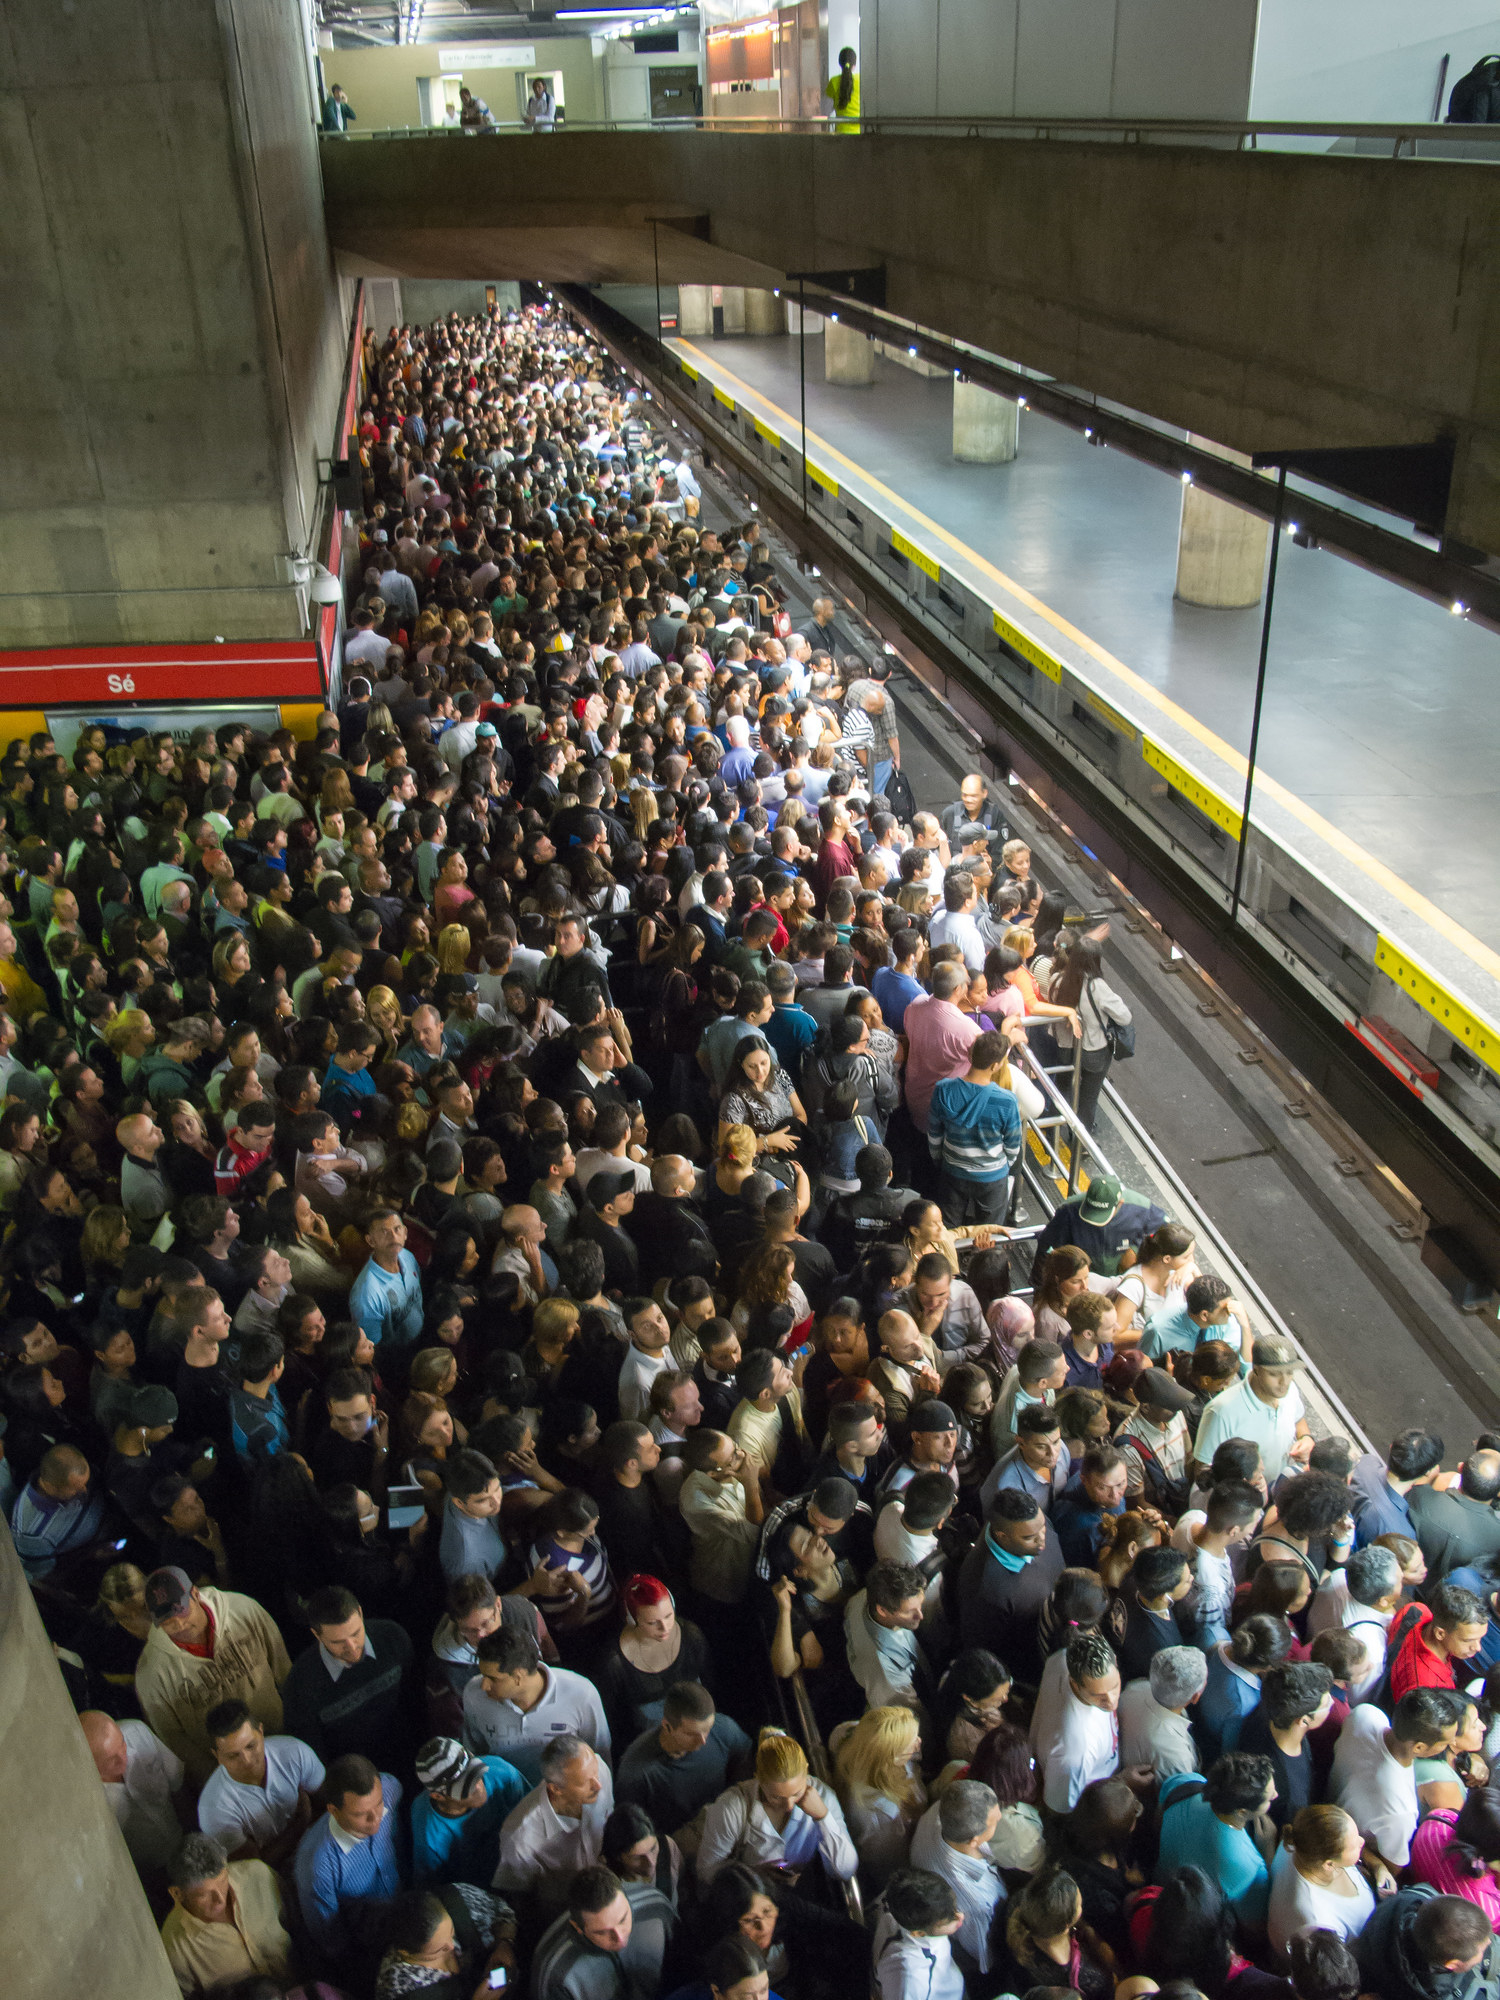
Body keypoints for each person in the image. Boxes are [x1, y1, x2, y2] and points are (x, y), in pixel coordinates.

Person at [134, 1568, 292, 1786]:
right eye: (168, 1621)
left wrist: (297, 1731)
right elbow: (174, 1740)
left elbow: (284, 1670)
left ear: (196, 1594)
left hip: (283, 1740)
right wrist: (218, 1779)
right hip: (229, 1774)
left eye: (182, 1612)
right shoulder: (152, 1672)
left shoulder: (243, 1611)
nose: (179, 1625)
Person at [697, 1727, 858, 1887]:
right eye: (776, 1797)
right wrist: (753, 1874)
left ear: (807, 1771)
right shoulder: (731, 1807)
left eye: (796, 1794)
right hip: (750, 1893)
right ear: (758, 1778)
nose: (788, 1805)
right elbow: (706, 1871)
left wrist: (822, 1817)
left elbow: (844, 1871)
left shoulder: (823, 1796)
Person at [280, 1584, 419, 1769]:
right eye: (338, 1642)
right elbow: (313, 1757)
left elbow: (416, 1704)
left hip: (408, 1758)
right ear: (316, 1634)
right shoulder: (301, 1682)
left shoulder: (393, 1637)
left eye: (356, 1634)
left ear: (360, 1614)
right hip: (352, 1777)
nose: (353, 1648)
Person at [461, 1624, 611, 1785]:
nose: (484, 1686)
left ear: (519, 1676)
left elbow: (600, 1757)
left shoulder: (581, 1693)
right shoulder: (474, 1694)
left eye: (493, 1678)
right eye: (483, 1675)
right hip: (505, 1797)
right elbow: (475, 1752)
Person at [293, 1751, 406, 1963]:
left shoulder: (390, 1787)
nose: (376, 1819)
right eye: (361, 1814)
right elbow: (331, 1938)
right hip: (370, 1944)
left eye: (378, 1805)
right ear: (334, 1811)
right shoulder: (316, 1867)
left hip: (405, 1903)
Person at [160, 1832, 293, 1995]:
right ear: (177, 1894)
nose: (220, 1899)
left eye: (223, 1881)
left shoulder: (259, 1876)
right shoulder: (175, 1949)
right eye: (204, 1894)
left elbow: (296, 1923)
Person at [1156, 1752, 1278, 1930]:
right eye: (1269, 1797)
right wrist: (1268, 1849)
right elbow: (1255, 1930)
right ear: (1242, 1812)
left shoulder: (1186, 1783)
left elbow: (1158, 1822)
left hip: (1160, 1890)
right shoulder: (1248, 1866)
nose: (1276, 1795)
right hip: (1192, 1929)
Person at [494, 1734, 614, 1913]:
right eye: (585, 1782)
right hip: (564, 1911)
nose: (598, 1785)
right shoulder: (520, 1838)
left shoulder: (599, 1770)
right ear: (556, 1788)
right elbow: (518, 1898)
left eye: (595, 1774)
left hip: (610, 1891)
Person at [197, 1699, 325, 1865]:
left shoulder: (295, 1752)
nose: (247, 1760)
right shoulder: (213, 1807)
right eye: (233, 1756)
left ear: (262, 1732)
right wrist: (300, 1823)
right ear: (217, 1756)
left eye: (251, 1746)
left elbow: (329, 1804)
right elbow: (255, 1867)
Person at [532, 1863, 677, 2000]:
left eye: (623, 1919)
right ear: (577, 1928)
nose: (620, 1938)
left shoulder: (656, 1907)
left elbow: (681, 1967)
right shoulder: (554, 1972)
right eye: (602, 1932)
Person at [909, 1780, 1006, 1984]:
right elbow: (984, 1955)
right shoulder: (976, 1902)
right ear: (974, 1840)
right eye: (995, 1822)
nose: (1001, 1818)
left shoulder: (941, 1811)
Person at [81, 1709, 188, 1885]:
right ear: (89, 1764)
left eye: (122, 1743)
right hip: (150, 1873)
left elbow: (178, 1782)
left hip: (182, 1834)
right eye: (111, 1760)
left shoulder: (137, 1732)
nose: (123, 1756)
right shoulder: (86, 1799)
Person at [1268, 1804, 1377, 1965]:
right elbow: (1337, 1968)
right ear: (1329, 1864)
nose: (1362, 1841)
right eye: (1355, 1845)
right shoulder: (1316, 1922)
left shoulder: (1301, 1842)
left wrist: (1379, 1867)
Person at [872, 1868, 967, 2000]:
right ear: (918, 1933)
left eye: (955, 1909)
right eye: (947, 1921)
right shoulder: (911, 1978)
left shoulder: (900, 1896)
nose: (960, 1916)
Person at [824, 44, 861, 134]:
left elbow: (827, 108)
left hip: (840, 132)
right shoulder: (861, 80)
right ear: (854, 64)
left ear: (840, 63)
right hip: (859, 132)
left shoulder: (833, 81)